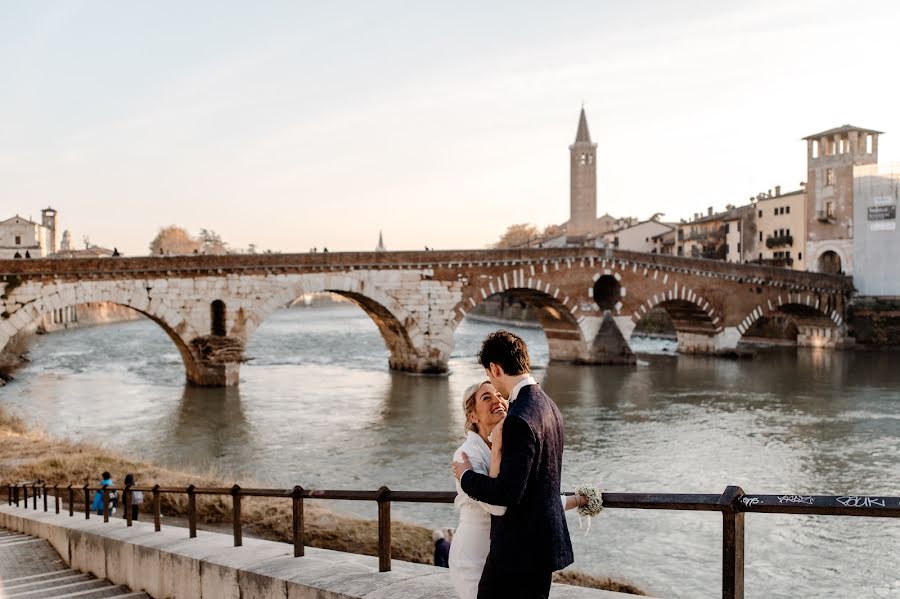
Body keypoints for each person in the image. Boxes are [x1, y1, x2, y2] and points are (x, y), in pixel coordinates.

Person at [452, 331, 575, 599]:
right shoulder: (549, 406)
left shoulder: (518, 418)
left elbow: (507, 493)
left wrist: (465, 477)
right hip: (541, 549)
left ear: (495, 368)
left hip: (516, 554)